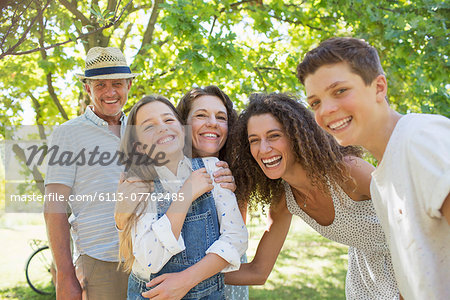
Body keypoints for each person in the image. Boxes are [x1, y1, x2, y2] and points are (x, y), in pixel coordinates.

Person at [297, 37, 450, 299]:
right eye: (315, 103)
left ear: (379, 87)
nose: (327, 110)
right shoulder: (380, 184)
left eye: (340, 91)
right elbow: (413, 279)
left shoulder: (420, 140)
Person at [225, 93, 399, 299]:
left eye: (274, 136)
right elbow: (258, 271)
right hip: (366, 279)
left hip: (413, 265)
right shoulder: (284, 200)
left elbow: (415, 219)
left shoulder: (347, 171)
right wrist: (192, 275)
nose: (264, 149)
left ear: (296, 137)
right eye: (254, 140)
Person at [115, 95, 248, 299]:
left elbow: (236, 239)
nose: (162, 128)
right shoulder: (139, 185)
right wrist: (186, 195)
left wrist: (186, 279)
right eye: (148, 127)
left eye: (168, 120)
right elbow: (152, 259)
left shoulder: (213, 169)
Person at [43, 47, 137, 299]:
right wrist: (64, 275)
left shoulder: (143, 130)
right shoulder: (68, 134)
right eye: (100, 85)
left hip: (150, 260)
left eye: (117, 83)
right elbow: (54, 208)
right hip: (101, 262)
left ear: (129, 85)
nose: (110, 92)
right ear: (87, 88)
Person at [176, 85, 249, 300]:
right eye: (201, 115)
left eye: (221, 117)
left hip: (226, 289)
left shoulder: (233, 176)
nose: (212, 123)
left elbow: (237, 243)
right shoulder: (165, 174)